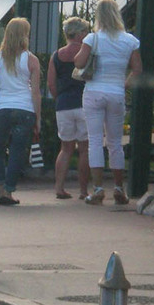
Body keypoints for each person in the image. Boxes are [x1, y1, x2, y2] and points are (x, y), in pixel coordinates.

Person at [74, 0, 142, 205]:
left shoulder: (93, 38)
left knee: (95, 140)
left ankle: (98, 189)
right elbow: (137, 70)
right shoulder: (130, 40)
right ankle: (120, 189)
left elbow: (78, 62)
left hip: (94, 92)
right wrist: (123, 84)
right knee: (115, 142)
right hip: (116, 94)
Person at [0, 18, 41, 205]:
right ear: (25, 35)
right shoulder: (31, 60)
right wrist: (37, 119)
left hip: (2, 108)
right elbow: (36, 92)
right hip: (25, 109)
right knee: (17, 151)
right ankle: (8, 191)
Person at [47, 17, 91, 200]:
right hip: (84, 104)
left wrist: (60, 98)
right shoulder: (86, 52)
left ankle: (59, 188)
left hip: (63, 106)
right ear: (80, 33)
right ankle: (83, 191)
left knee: (65, 149)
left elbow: (51, 84)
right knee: (84, 149)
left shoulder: (56, 55)